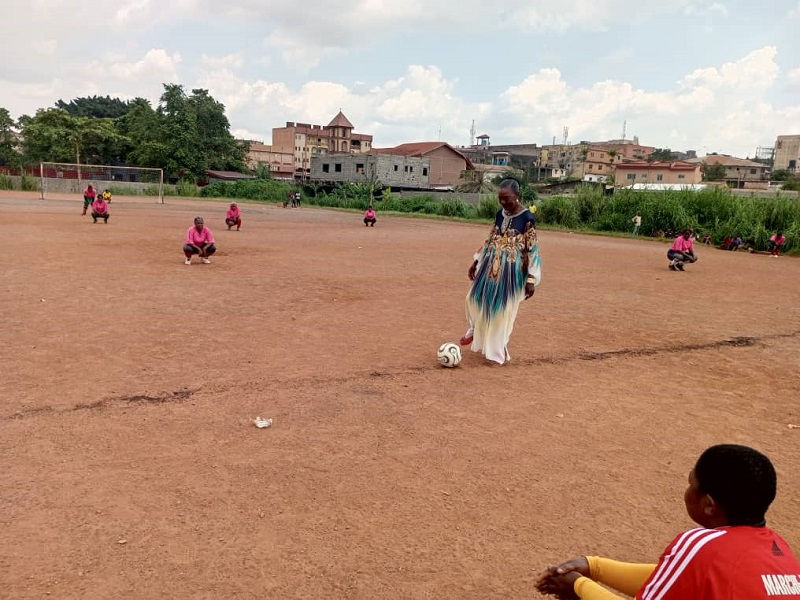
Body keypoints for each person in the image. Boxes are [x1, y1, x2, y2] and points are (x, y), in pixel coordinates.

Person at [535, 444, 800, 599]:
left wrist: (578, 587)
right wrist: (595, 567)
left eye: (690, 483)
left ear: (708, 505)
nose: (687, 491)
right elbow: (676, 578)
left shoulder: (701, 544)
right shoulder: (780, 551)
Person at [459, 177, 541, 365]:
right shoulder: (499, 214)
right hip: (490, 266)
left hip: (511, 272)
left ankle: (498, 350)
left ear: (517, 195)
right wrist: (476, 261)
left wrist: (531, 279)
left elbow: (533, 250)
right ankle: (475, 328)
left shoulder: (527, 218)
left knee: (502, 311)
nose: (503, 202)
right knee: (473, 298)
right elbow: (490, 239)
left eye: (507, 198)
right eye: (500, 198)